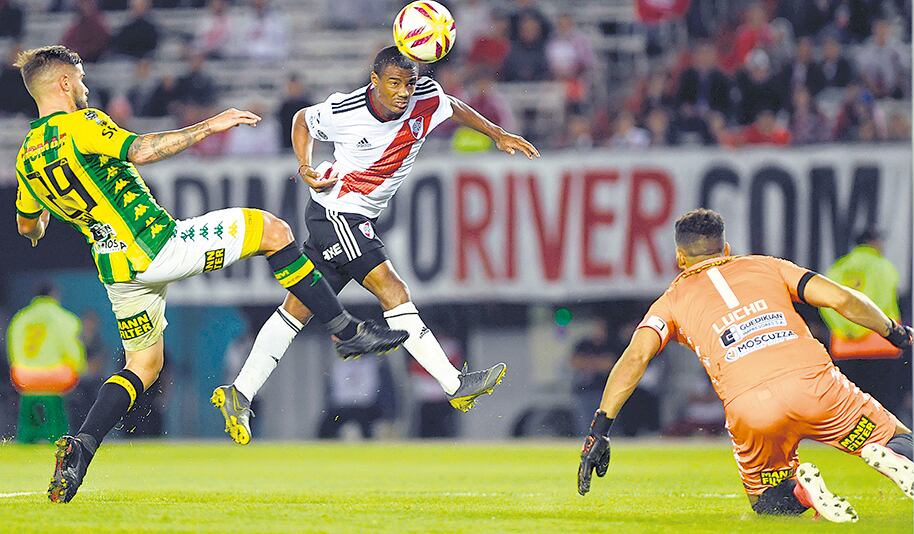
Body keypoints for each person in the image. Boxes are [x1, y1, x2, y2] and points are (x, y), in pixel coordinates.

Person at [12, 45, 408, 503]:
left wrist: (50, 217)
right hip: (157, 245)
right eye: (79, 80)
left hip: (118, 272)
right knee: (273, 230)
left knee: (143, 365)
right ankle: (346, 329)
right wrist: (208, 126)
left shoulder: (26, 156)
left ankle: (81, 447)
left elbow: (29, 225)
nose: (84, 88)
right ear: (63, 82)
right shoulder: (82, 123)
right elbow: (140, 149)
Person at [216, 47, 540, 444]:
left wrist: (498, 134)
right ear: (375, 81)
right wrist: (305, 166)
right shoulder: (346, 110)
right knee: (393, 289)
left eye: (409, 83)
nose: (404, 92)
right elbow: (302, 120)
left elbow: (451, 104)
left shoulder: (425, 97)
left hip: (344, 217)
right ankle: (453, 383)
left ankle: (240, 393)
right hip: (339, 212)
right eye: (394, 84)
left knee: (295, 311)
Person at [577, 208, 914, 523]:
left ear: (680, 258)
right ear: (725, 248)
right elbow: (841, 298)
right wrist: (894, 332)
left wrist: (599, 431)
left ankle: (802, 489)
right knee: (897, 438)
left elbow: (635, 358)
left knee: (766, 500)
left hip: (751, 407)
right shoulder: (767, 266)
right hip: (814, 385)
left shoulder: (670, 302)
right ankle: (888, 454)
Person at [820, 228, 906, 413]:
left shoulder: (838, 268)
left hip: (845, 349)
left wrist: (848, 329)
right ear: (873, 242)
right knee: (885, 409)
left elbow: (826, 305)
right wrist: (866, 328)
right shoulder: (882, 266)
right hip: (881, 346)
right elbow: (881, 301)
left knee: (853, 409)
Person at [7, 283, 86, 444]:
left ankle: (27, 435)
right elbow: (71, 348)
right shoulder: (64, 317)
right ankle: (58, 433)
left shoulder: (20, 318)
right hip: (55, 377)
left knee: (30, 401)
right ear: (54, 295)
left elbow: (12, 348)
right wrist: (79, 367)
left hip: (23, 377)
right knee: (61, 390)